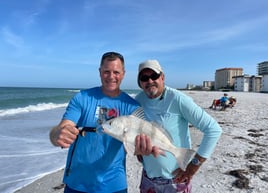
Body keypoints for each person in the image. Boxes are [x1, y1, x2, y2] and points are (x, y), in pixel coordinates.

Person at [49, 52, 141, 193]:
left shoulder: (132, 107)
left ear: (123, 74)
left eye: (116, 72)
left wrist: (142, 150)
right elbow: (62, 127)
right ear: (99, 72)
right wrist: (57, 135)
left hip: (114, 185)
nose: (111, 77)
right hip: (77, 183)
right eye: (106, 72)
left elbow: (137, 145)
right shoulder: (82, 98)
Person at [134, 60, 222, 193]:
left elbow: (213, 129)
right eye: (144, 78)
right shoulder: (137, 101)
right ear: (140, 83)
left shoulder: (177, 99)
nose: (150, 81)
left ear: (162, 77)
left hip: (175, 181)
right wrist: (138, 150)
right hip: (148, 179)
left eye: (154, 76)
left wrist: (193, 167)